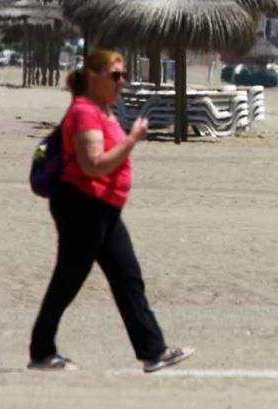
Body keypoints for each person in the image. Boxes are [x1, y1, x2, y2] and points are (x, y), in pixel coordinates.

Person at [28, 49, 193, 373]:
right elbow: (93, 165)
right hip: (82, 205)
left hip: (104, 208)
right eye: (115, 75)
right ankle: (41, 351)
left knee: (127, 277)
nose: (122, 81)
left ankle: (153, 351)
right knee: (68, 280)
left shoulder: (103, 110)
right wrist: (131, 140)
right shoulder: (85, 111)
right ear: (93, 77)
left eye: (123, 75)